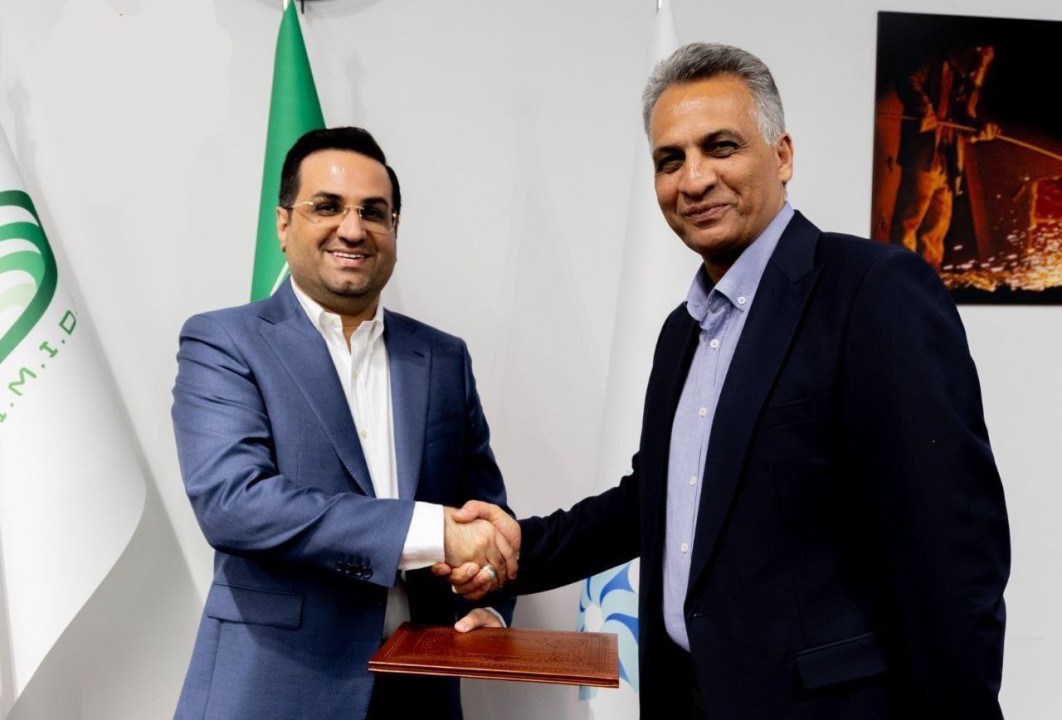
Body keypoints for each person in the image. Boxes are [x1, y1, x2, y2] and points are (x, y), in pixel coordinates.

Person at [441, 43, 1010, 719]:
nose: (694, 180)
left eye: (720, 147)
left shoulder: (873, 292)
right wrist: (519, 548)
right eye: (669, 160)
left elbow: (954, 555)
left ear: (783, 155)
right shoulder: (682, 331)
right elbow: (655, 499)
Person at [171, 126, 517, 720]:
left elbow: (482, 509)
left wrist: (487, 595)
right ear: (284, 224)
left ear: (394, 230)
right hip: (274, 690)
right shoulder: (223, 341)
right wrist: (432, 531)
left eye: (373, 212)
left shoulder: (443, 357)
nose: (353, 230)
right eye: (327, 206)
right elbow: (234, 504)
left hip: (420, 693)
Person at [888, 44, 1000, 270]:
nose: (979, 70)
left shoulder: (969, 81)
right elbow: (907, 79)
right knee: (909, 220)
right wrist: (923, 108)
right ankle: (901, 276)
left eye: (984, 66)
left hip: (949, 161)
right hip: (924, 155)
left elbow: (966, 119)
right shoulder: (934, 59)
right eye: (978, 62)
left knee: (937, 226)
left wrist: (980, 128)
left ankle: (930, 276)